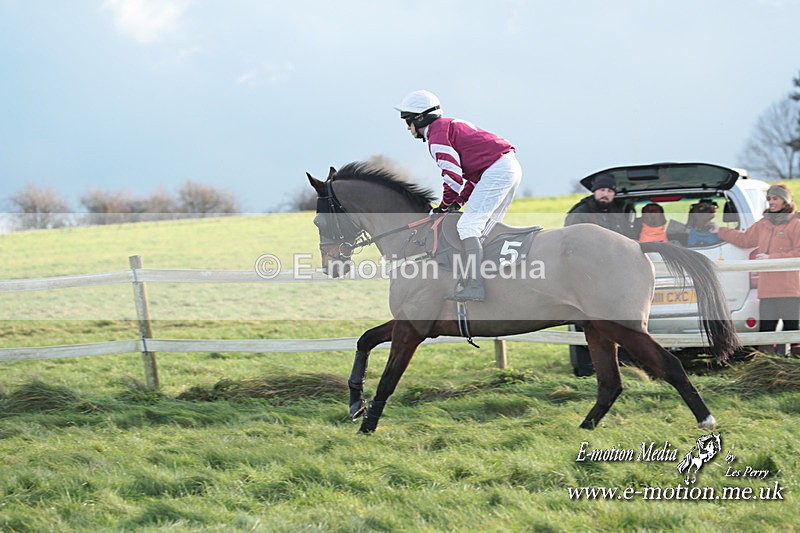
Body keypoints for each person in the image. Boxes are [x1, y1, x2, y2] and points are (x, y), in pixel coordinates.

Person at [394, 89, 522, 302]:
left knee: (468, 227)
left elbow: (453, 177)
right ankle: (491, 279)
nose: (408, 128)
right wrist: (459, 201)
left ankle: (475, 287)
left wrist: (444, 205)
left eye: (408, 121)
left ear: (420, 118)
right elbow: (473, 176)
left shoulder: (436, 135)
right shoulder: (445, 127)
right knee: (483, 229)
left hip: (498, 170)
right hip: (503, 168)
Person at [710, 184, 800, 356]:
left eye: (775, 199)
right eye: (769, 199)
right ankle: (767, 367)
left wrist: (771, 258)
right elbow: (745, 240)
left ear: (785, 201)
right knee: (766, 332)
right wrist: (720, 231)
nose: (771, 202)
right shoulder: (763, 224)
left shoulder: (796, 224)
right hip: (766, 291)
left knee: (793, 330)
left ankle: (795, 368)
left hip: (790, 289)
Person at [564, 173, 633, 237]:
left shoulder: (618, 214)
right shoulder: (580, 213)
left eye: (610, 191)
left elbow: (629, 236)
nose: (605, 194)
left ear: (614, 194)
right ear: (594, 192)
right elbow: (570, 239)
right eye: (602, 190)